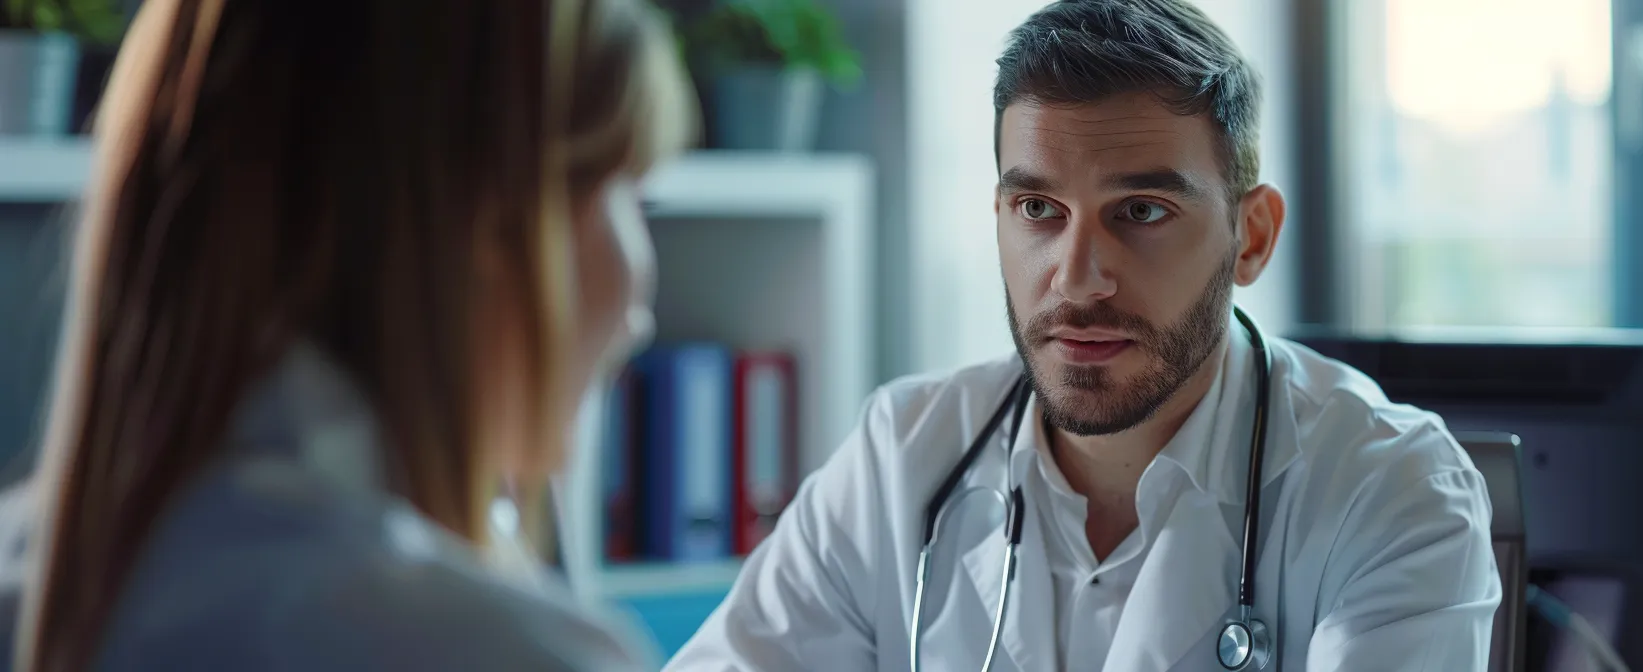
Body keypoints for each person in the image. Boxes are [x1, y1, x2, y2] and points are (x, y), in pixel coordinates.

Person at [666, 1, 1501, 670]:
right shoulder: (902, 458)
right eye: (1038, 211)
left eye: (1141, 212)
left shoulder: (1392, 491)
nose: (1076, 277)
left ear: (1250, 237)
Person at [0, 0, 693, 669]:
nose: (638, 306)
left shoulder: (38, 586)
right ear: (497, 210)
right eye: (628, 193)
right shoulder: (489, 650)